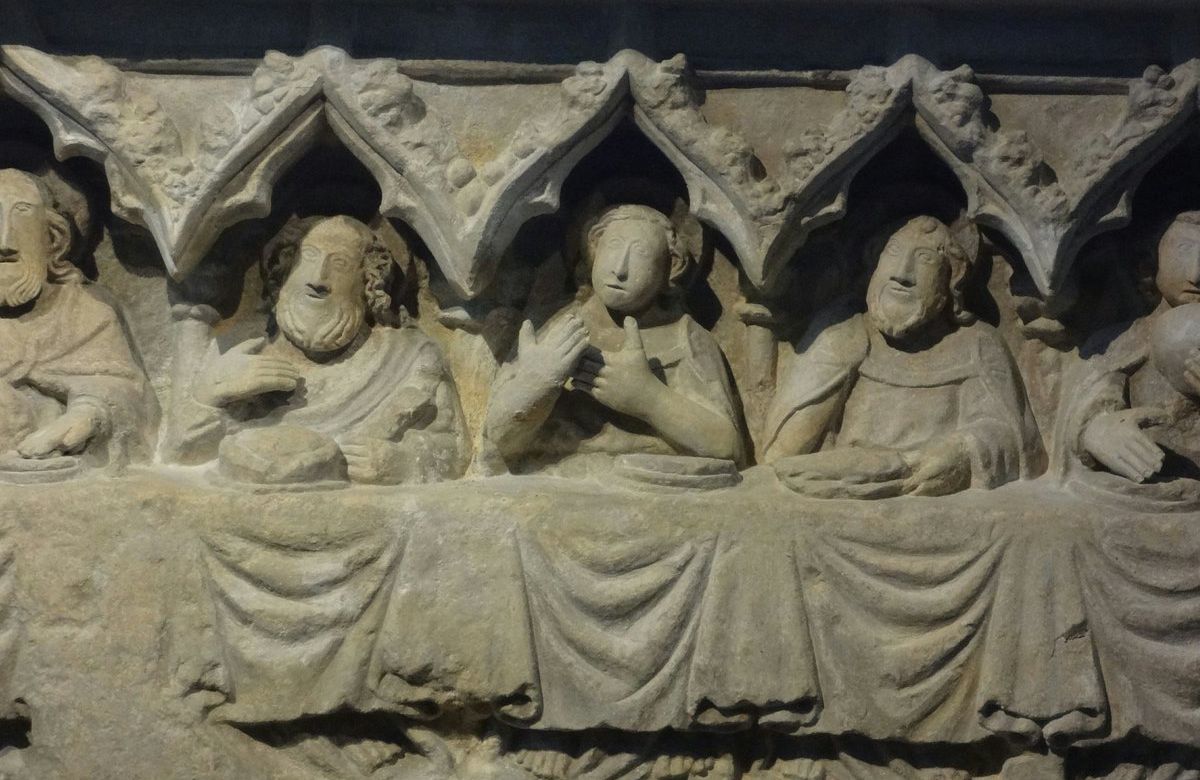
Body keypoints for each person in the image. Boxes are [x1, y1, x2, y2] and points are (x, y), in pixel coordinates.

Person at [763, 214, 1041, 498]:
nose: (902, 275)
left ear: (951, 279)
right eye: (893, 253)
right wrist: (839, 353)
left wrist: (962, 452)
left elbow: (1018, 439)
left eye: (925, 259)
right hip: (846, 494)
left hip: (941, 501)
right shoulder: (843, 335)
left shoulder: (977, 344)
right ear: (874, 264)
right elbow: (783, 453)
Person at [176, 215, 467, 484]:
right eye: (308, 258)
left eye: (339, 264)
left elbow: (453, 448)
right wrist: (209, 396)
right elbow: (181, 452)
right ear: (285, 271)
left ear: (369, 286)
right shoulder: (245, 359)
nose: (317, 280)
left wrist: (402, 463)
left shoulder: (407, 359)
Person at [482, 204, 743, 474]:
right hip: (560, 483)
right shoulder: (560, 326)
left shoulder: (685, 337)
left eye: (641, 253)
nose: (620, 269)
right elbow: (499, 440)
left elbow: (728, 447)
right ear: (594, 250)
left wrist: (649, 398)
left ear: (671, 267)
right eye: (614, 246)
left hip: (657, 486)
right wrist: (536, 383)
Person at [0, 168, 152, 467]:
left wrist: (88, 412)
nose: (4, 240)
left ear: (53, 239)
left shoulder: (85, 312)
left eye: (21, 212)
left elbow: (123, 389)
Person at [1055, 210, 1200, 486]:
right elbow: (1088, 405)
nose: (1196, 273)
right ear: (1151, 265)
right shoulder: (1121, 340)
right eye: (1182, 252)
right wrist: (1097, 430)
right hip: (1142, 488)